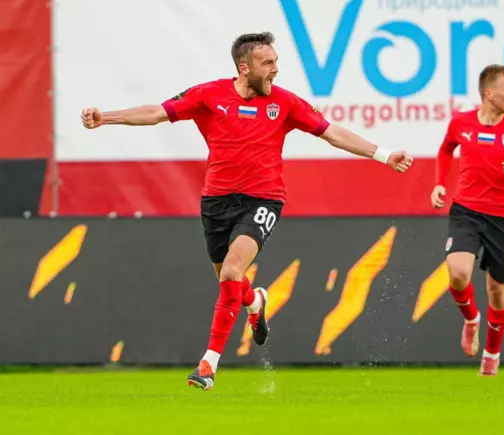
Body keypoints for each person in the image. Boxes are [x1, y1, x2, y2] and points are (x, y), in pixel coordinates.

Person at [81, 32, 414, 390]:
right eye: (267, 63)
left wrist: (384, 154)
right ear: (244, 68)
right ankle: (255, 302)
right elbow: (156, 113)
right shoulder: (208, 95)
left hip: (262, 200)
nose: (275, 69)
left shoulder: (284, 102)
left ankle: (208, 365)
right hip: (215, 203)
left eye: (275, 62)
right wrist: (105, 118)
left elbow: (332, 133)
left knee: (231, 271)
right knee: (231, 281)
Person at [430, 64, 504, 376]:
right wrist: (439, 183)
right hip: (466, 211)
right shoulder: (461, 123)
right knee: (457, 274)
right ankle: (471, 319)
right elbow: (446, 150)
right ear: (489, 93)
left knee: (497, 292)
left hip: (502, 218)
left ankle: (492, 354)